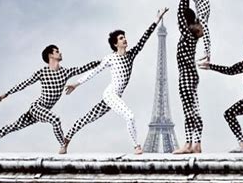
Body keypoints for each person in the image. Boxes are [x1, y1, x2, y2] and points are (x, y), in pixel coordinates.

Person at [61, 8, 169, 154]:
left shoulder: (131, 55)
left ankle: (66, 139)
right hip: (110, 94)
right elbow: (94, 72)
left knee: (88, 118)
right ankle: (137, 146)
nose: (124, 39)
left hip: (116, 96)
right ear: (115, 44)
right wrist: (76, 83)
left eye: (124, 37)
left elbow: (145, 37)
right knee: (129, 116)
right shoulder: (110, 58)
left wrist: (156, 19)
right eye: (120, 38)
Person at [0, 46, 100, 153]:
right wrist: (7, 93)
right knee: (55, 119)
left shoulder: (65, 72)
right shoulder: (42, 72)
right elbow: (25, 83)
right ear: (50, 55)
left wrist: (103, 62)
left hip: (43, 111)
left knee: (15, 125)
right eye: (57, 51)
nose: (60, 53)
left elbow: (83, 68)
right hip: (37, 108)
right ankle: (63, 146)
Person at [173, 0, 205, 154]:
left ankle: (187, 144)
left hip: (185, 76)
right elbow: (182, 14)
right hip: (193, 75)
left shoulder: (186, 34)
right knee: (195, 109)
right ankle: (197, 143)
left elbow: (180, 13)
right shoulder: (192, 34)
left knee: (188, 111)